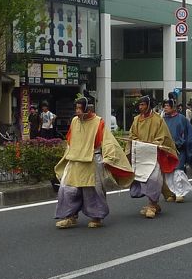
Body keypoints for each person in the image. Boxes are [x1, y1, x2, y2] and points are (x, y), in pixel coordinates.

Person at [54, 97, 133, 229]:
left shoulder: (98, 122)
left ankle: (96, 217)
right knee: (67, 188)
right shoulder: (74, 121)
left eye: (80, 108)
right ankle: (69, 217)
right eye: (76, 108)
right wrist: (67, 155)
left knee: (93, 190)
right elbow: (70, 140)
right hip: (74, 160)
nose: (77, 111)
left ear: (86, 109)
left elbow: (107, 141)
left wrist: (108, 157)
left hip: (92, 160)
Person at [127, 96, 179, 219]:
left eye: (143, 105)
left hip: (153, 154)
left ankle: (152, 204)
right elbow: (132, 134)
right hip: (141, 154)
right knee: (143, 178)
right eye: (139, 105)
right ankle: (154, 204)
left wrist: (154, 143)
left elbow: (163, 136)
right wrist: (138, 141)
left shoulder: (158, 120)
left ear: (149, 105)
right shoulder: (136, 120)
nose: (141, 107)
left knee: (154, 178)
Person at [162, 99, 192, 203]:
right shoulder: (162, 120)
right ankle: (172, 192)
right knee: (168, 172)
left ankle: (179, 193)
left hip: (179, 149)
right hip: (166, 150)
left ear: (173, 107)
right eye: (164, 106)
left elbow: (189, 134)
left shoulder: (181, 119)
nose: (165, 108)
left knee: (178, 170)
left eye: (167, 106)